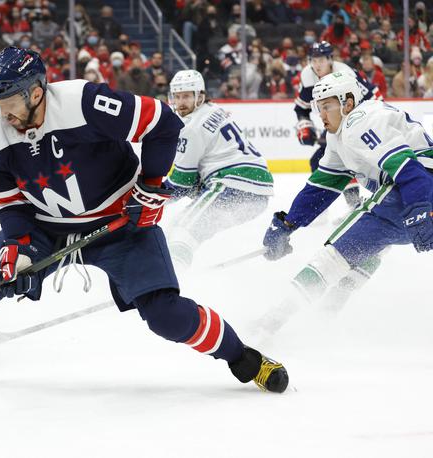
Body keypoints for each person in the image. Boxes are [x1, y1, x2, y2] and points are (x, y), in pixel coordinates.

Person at [0, 47, 289, 393]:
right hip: (45, 228)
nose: (1, 113)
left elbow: (163, 123)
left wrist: (149, 187)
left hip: (122, 220)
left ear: (35, 92)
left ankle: (245, 358)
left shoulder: (83, 102)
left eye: (8, 102)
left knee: (166, 315)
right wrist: (16, 243)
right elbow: (10, 205)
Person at [259, 71, 433, 335]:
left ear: (348, 102)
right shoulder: (339, 136)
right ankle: (332, 306)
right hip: (416, 191)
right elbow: (321, 187)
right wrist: (287, 223)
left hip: (418, 187)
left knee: (335, 254)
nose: (322, 115)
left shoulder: (359, 122)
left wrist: (420, 207)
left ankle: (274, 319)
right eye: (319, 108)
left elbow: (406, 167)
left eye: (327, 106)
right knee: (373, 247)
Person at [164, 70, 273, 270]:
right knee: (181, 228)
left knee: (183, 230)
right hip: (256, 190)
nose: (181, 102)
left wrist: (147, 199)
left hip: (232, 183)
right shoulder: (212, 109)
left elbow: (181, 183)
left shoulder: (190, 126)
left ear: (200, 96)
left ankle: (174, 278)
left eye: (187, 96)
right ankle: (171, 267)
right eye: (177, 96)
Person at [294, 41, 382, 212]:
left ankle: (358, 205)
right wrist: (305, 126)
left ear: (330, 59)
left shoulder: (345, 74)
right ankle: (351, 206)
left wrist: (370, 124)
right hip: (339, 127)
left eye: (321, 60)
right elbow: (301, 108)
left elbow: (374, 97)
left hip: (360, 122)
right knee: (321, 161)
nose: (317, 65)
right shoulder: (307, 76)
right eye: (313, 60)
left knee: (349, 161)